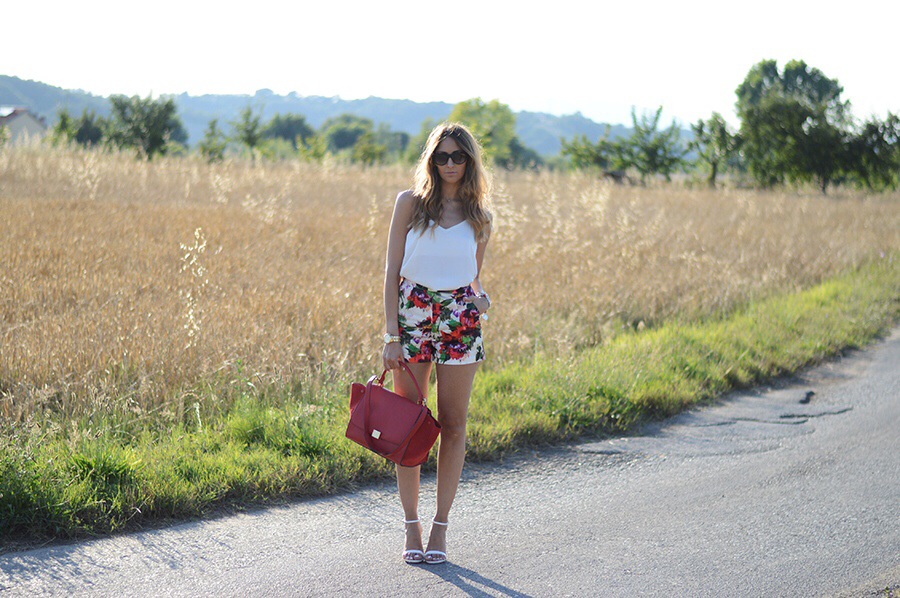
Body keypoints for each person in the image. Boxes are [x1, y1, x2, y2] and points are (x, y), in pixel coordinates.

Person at [381, 122, 492, 565]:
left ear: (469, 161)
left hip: (460, 317)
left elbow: (473, 273)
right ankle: (412, 523)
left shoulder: (481, 215)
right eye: (441, 156)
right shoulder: (409, 204)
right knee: (408, 422)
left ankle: (441, 526)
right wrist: (390, 333)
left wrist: (482, 298)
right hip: (412, 312)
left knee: (454, 423)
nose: (449, 164)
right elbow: (391, 271)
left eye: (458, 156)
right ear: (431, 159)